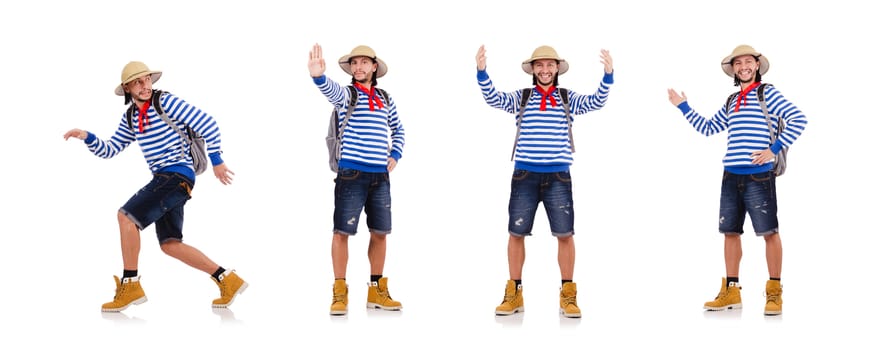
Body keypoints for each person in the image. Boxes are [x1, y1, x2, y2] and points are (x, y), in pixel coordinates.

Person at [63, 61, 248, 312]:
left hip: (174, 175)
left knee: (125, 217)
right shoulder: (131, 117)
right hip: (168, 180)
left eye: (147, 80)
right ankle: (227, 279)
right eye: (138, 82)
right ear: (127, 88)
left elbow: (209, 124)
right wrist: (87, 137)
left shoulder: (166, 103)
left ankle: (130, 285)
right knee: (170, 244)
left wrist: (217, 160)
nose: (145, 85)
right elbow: (110, 149)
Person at [667, 45, 808, 316]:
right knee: (730, 232)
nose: (743, 66)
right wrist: (683, 106)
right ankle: (732, 291)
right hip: (731, 175)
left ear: (756, 66)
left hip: (759, 175)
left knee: (769, 232)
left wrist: (773, 149)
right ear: (733, 69)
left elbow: (798, 119)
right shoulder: (732, 101)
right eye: (738, 63)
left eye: (748, 61)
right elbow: (708, 128)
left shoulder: (768, 93)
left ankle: (774, 291)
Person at [476, 45, 614, 318]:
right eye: (539, 65)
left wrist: (608, 74)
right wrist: (482, 71)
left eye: (549, 65)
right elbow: (493, 98)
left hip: (559, 176)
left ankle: (568, 295)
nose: (545, 70)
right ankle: (514, 293)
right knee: (516, 233)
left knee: (565, 234)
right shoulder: (523, 97)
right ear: (533, 70)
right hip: (524, 175)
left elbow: (597, 101)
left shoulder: (567, 98)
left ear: (557, 69)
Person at [308, 44, 406, 316]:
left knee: (380, 232)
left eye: (364, 62)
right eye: (354, 63)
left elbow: (398, 129)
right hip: (351, 174)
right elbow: (331, 90)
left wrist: (395, 154)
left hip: (380, 177)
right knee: (342, 232)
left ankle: (376, 291)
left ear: (374, 67)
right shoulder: (347, 95)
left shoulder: (385, 98)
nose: (359, 67)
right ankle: (339, 292)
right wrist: (318, 77)